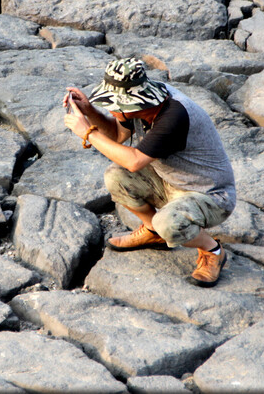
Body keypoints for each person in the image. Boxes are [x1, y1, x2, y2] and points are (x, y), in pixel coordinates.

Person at [63, 57, 236, 287]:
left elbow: (134, 162)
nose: (111, 109)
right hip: (169, 182)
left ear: (129, 103)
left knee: (169, 223)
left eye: (113, 105)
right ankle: (154, 232)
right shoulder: (143, 105)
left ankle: (212, 251)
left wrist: (88, 133)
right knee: (116, 176)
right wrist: (90, 111)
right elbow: (116, 135)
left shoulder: (174, 116)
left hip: (210, 195)